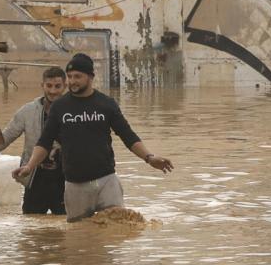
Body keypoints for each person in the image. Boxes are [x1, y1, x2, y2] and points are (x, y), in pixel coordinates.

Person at [13, 53, 173, 222]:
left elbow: (128, 136)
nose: (72, 81)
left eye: (78, 76)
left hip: (107, 180)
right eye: (70, 77)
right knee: (79, 238)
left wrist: (149, 158)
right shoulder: (60, 107)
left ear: (90, 77)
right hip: (75, 185)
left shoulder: (106, 104)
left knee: (117, 229)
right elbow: (44, 143)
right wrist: (30, 166)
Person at [0, 66, 67, 215]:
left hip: (65, 178)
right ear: (42, 86)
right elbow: (8, 135)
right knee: (31, 224)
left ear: (65, 86)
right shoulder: (28, 111)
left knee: (67, 224)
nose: (53, 91)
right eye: (49, 86)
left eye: (57, 86)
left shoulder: (72, 111)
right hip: (34, 177)